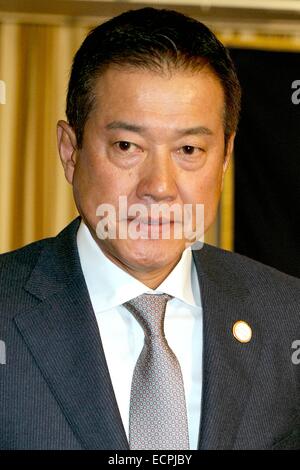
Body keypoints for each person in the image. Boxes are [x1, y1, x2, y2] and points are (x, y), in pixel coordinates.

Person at [0, 7, 299, 451]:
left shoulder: (287, 316)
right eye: (127, 146)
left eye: (189, 149)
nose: (158, 187)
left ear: (225, 157)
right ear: (70, 151)